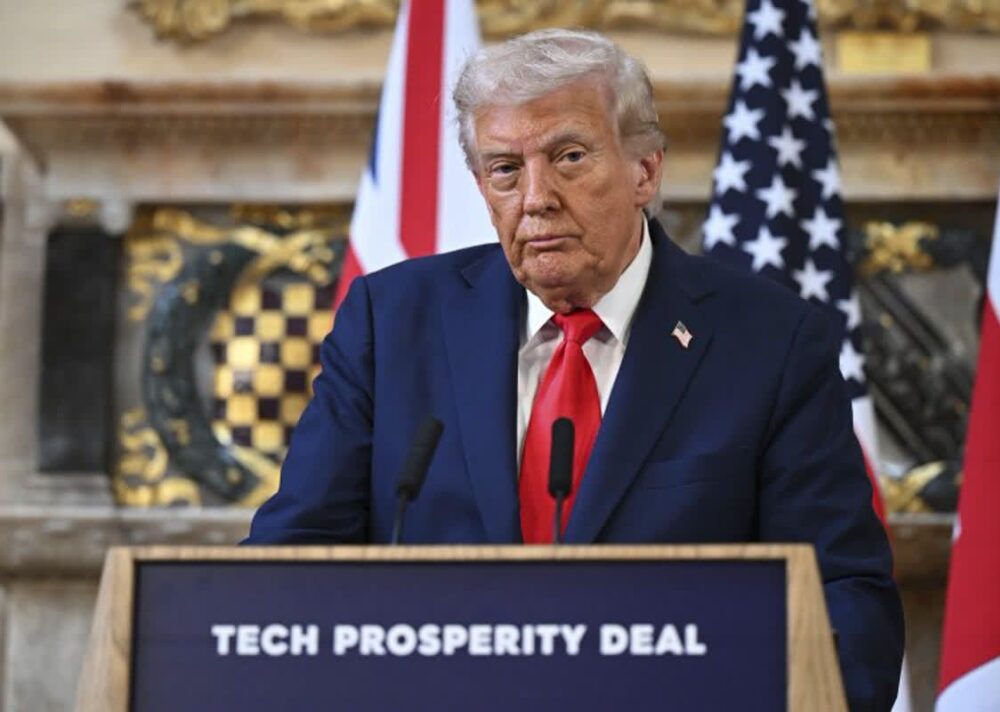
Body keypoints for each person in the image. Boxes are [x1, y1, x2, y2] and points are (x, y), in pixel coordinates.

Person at [246, 29, 904, 710]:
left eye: (569, 157)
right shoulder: (391, 323)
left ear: (645, 171)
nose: (536, 197)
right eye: (506, 169)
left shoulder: (770, 341)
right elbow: (292, 562)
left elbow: (845, 601)